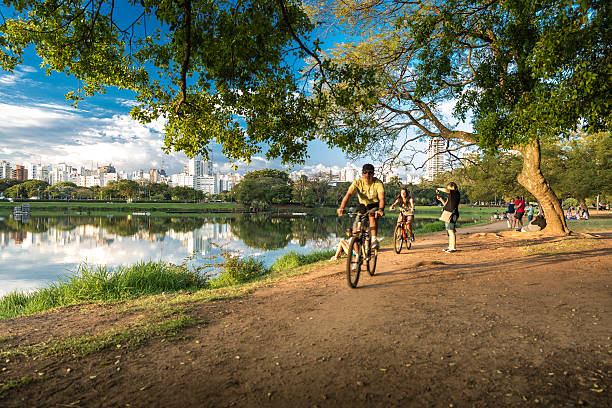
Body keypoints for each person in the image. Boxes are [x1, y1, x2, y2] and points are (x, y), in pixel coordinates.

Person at [337, 164, 385, 249]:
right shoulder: (357, 182)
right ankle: (357, 255)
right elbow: (348, 195)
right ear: (362, 173)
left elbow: (381, 198)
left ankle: (374, 240)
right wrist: (342, 207)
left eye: (370, 173)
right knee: (355, 231)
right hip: (362, 206)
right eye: (365, 172)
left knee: (372, 217)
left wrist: (380, 209)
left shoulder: (378, 183)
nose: (367, 175)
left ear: (373, 174)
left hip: (374, 205)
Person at [436, 182, 460, 253]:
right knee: (449, 231)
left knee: (451, 231)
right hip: (448, 213)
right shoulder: (451, 196)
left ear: (452, 187)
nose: (447, 189)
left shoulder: (455, 193)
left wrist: (438, 188)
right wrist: (441, 200)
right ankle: (450, 247)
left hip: (452, 214)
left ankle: (453, 248)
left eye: (448, 187)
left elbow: (446, 190)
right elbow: (445, 205)